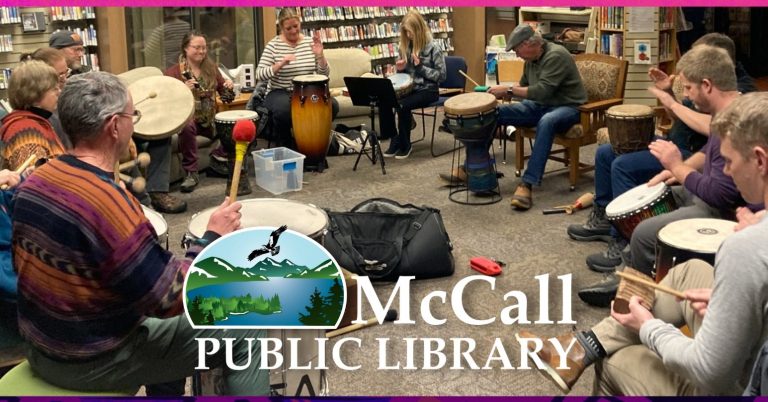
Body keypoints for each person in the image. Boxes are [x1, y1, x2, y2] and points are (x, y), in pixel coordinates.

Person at [12, 71, 268, 395]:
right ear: (114, 126)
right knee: (246, 327)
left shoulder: (36, 179)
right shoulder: (109, 204)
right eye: (133, 115)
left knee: (162, 324)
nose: (134, 123)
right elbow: (172, 298)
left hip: (41, 346)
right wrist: (210, 239)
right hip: (89, 360)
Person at [519, 91, 768, 396]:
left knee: (615, 360)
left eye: (729, 161)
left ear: (759, 160)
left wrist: (649, 327)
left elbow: (710, 373)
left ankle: (586, 352)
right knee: (688, 273)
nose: (726, 170)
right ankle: (577, 349)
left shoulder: (745, 248)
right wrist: (726, 296)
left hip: (745, 385)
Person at [573, 34, 757, 306]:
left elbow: (719, 195)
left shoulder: (736, 121)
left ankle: (643, 296)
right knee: (648, 192)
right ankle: (631, 273)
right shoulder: (730, 110)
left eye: (689, 89)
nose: (687, 97)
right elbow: (710, 152)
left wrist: (677, 166)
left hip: (720, 209)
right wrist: (677, 171)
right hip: (704, 191)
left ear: (707, 85)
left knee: (644, 232)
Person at [486, 24, 587, 210]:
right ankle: (476, 166)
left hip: (568, 107)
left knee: (547, 121)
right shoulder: (531, 59)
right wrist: (503, 94)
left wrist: (508, 90)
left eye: (517, 49)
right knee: (493, 112)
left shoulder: (556, 55)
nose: (516, 54)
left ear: (529, 44)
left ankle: (527, 183)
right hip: (541, 105)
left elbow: (542, 91)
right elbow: (524, 86)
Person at [165, 31, 241, 195]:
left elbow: (226, 98)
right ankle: (192, 173)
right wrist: (184, 91)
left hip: (209, 120)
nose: (201, 51)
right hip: (186, 120)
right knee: (188, 126)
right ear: (185, 48)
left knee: (237, 125)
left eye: (204, 48)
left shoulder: (211, 68)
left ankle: (216, 159)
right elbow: (167, 103)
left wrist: (228, 86)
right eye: (196, 48)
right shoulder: (173, 73)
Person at [255, 7, 339, 156]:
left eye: (296, 26)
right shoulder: (273, 45)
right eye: (288, 28)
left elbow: (324, 74)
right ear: (281, 28)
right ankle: (288, 146)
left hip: (307, 90)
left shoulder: (309, 42)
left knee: (332, 105)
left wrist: (320, 56)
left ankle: (310, 141)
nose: (293, 31)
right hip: (279, 91)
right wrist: (280, 64)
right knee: (285, 110)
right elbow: (259, 74)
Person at [381, 10, 446, 160]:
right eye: (406, 33)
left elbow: (441, 76)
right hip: (410, 88)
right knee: (384, 100)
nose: (408, 36)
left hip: (428, 90)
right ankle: (394, 138)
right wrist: (400, 67)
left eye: (410, 33)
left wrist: (420, 67)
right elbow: (403, 74)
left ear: (418, 30)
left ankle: (405, 144)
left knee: (402, 106)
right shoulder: (406, 45)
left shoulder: (433, 47)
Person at [0, 60, 65, 171]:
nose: (59, 92)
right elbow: (36, 183)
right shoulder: (26, 129)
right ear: (36, 93)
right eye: (54, 89)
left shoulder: (35, 122)